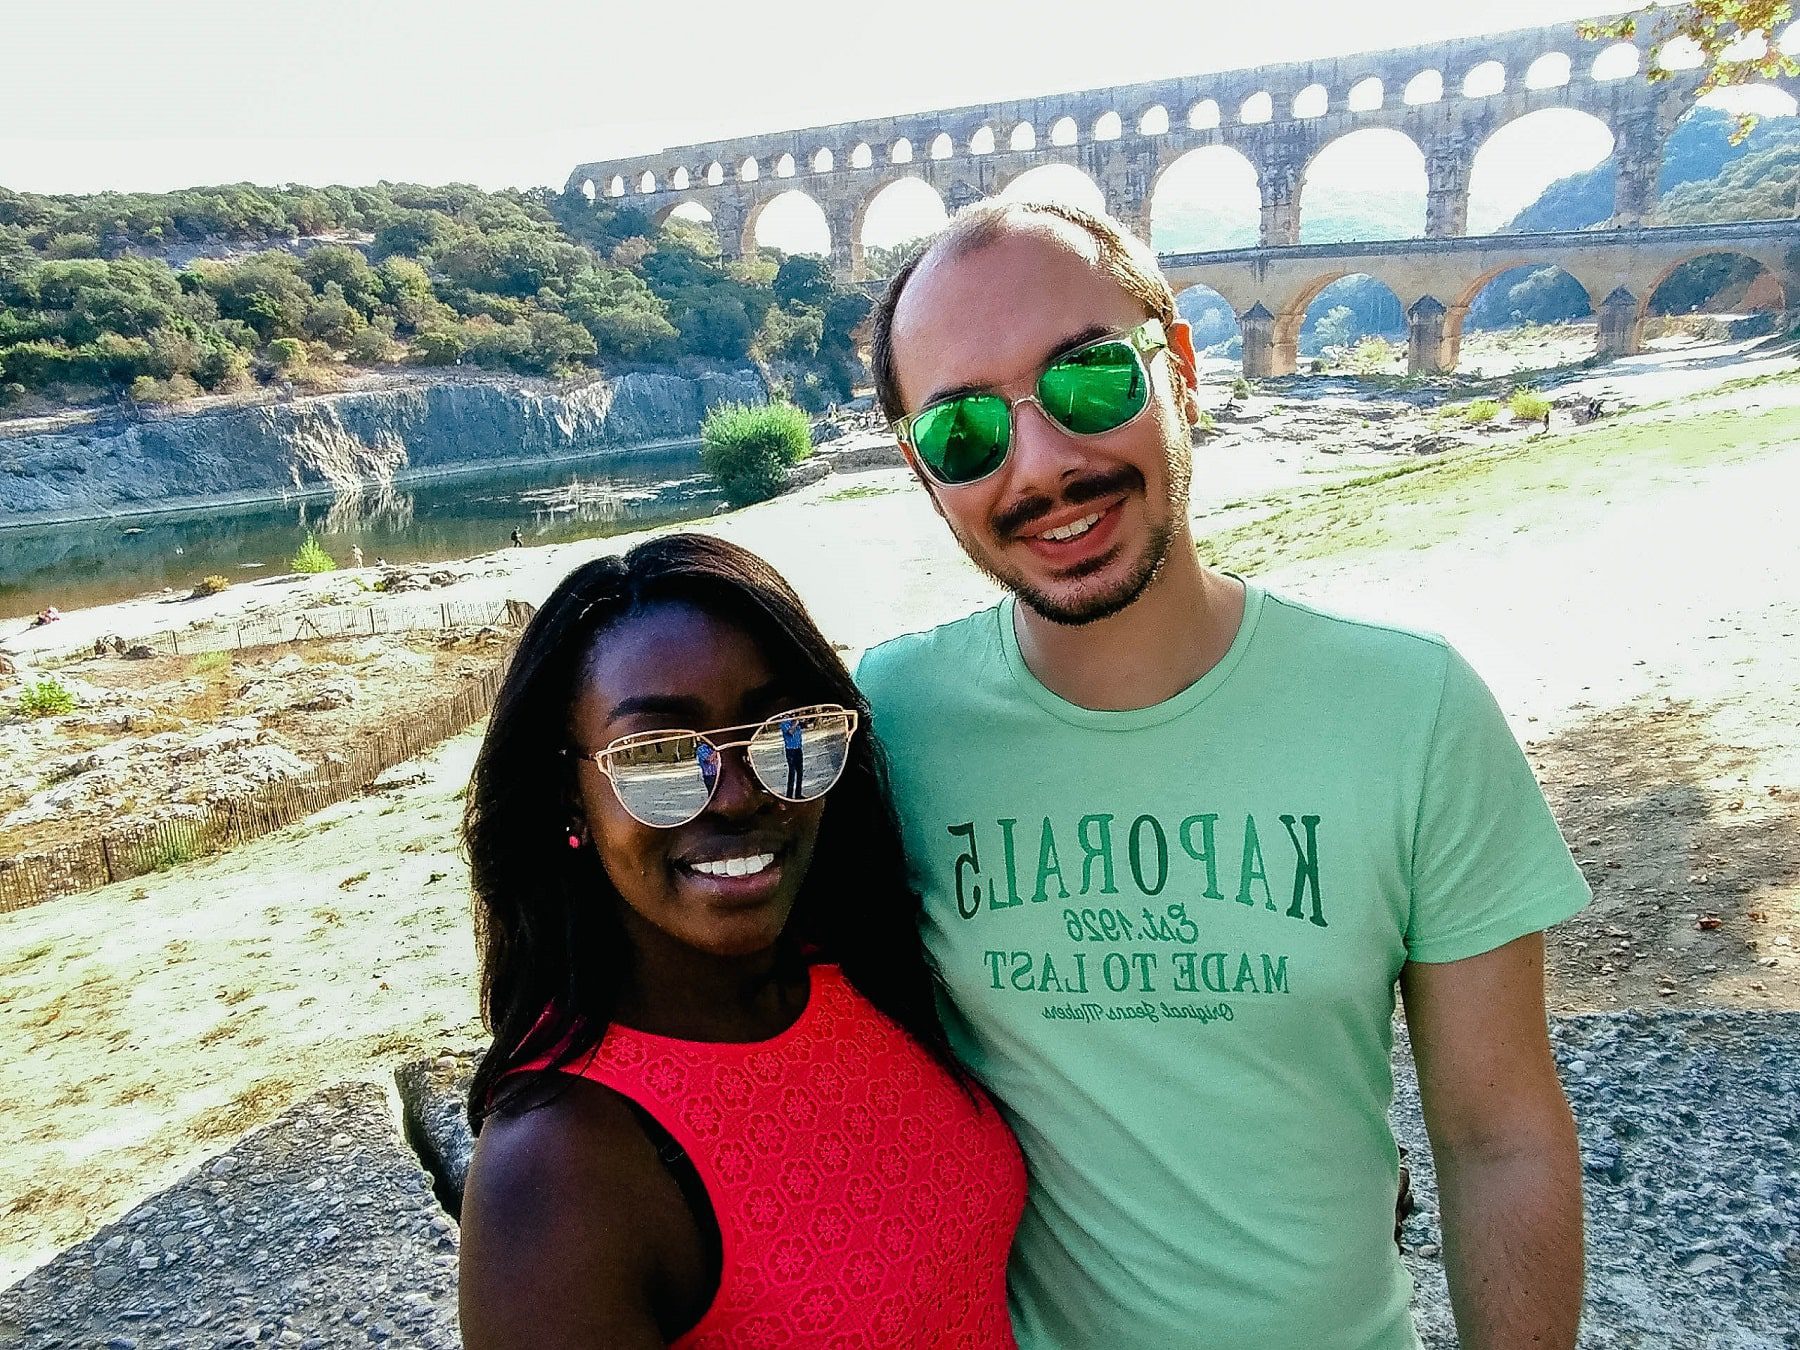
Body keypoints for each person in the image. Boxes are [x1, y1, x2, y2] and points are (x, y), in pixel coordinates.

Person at [855, 199, 1591, 1349]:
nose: (1044, 463)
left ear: (1180, 369)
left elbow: (1500, 1134)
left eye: (1091, 381)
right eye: (965, 433)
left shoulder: (1411, 710)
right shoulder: (890, 722)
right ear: (921, 470)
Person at [457, 533, 1024, 1348]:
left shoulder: (859, 972)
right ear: (568, 799)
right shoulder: (560, 1167)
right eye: (658, 757)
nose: (739, 795)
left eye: (787, 735)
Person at [779, 713, 805, 798]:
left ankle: (798, 794)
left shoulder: (795, 721)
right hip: (790, 750)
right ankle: (789, 795)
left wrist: (802, 720)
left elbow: (806, 725)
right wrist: (795, 723)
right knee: (792, 773)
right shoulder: (784, 723)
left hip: (798, 749)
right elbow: (790, 732)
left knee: (800, 773)